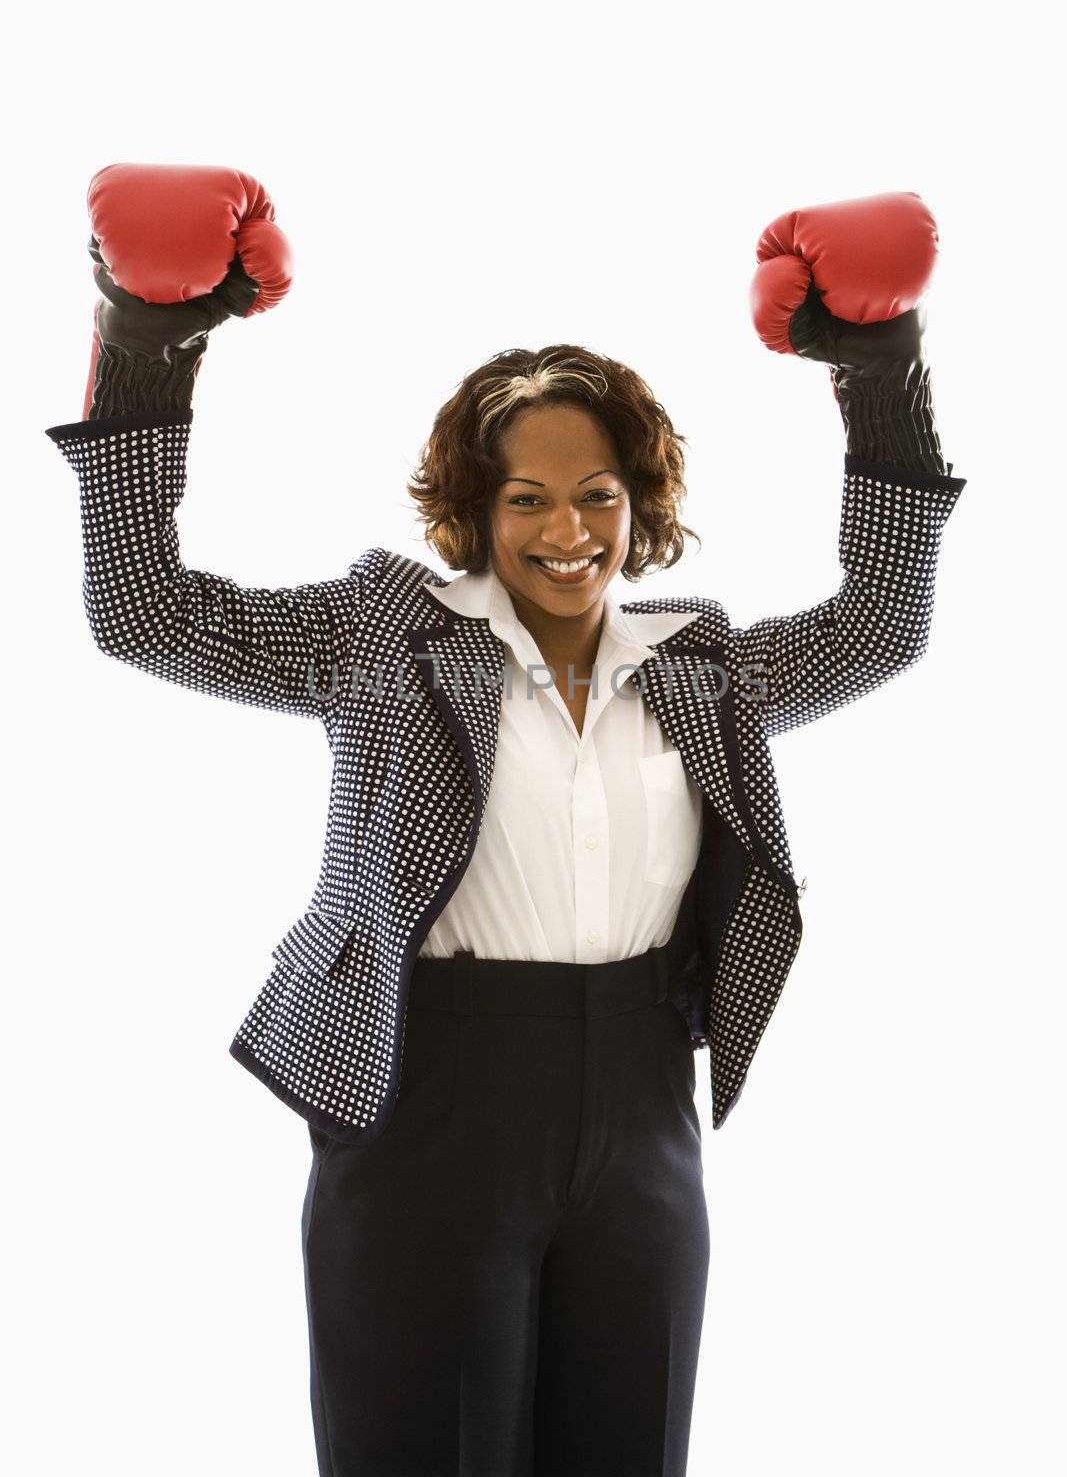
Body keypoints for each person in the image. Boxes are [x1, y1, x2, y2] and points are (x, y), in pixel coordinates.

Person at [47, 165, 967, 1477]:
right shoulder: (384, 635)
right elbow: (146, 614)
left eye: (597, 492)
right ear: (472, 511)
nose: (567, 526)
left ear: (640, 500)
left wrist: (881, 373)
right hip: (431, 1095)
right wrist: (147, 347)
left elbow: (880, 622)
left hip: (645, 1096)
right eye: (526, 496)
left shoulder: (700, 671)